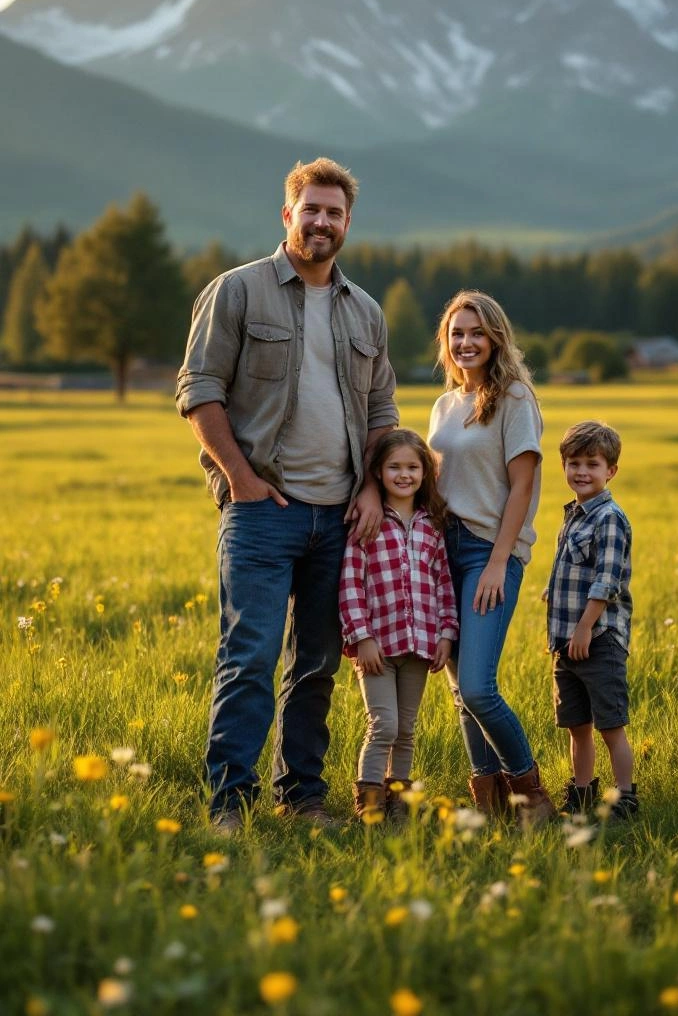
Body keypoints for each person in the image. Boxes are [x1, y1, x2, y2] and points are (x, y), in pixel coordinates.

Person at [175, 157, 398, 833]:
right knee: (248, 659)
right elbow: (198, 390)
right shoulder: (237, 292)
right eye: (311, 210)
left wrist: (369, 490)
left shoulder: (365, 312)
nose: (322, 222)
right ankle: (228, 807)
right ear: (288, 216)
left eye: (334, 213)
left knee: (318, 668)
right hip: (262, 516)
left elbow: (382, 410)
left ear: (348, 223)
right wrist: (242, 481)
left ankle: (300, 799)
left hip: (340, 519)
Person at [427, 290, 555, 827]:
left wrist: (501, 560)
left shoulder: (515, 398)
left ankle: (531, 796)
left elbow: (522, 487)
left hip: (488, 550)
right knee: (460, 691)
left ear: (496, 337)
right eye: (457, 334)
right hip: (441, 550)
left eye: (476, 332)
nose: (466, 343)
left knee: (478, 684)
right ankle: (491, 805)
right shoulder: (444, 404)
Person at [339, 429, 458, 821]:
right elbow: (351, 583)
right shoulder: (370, 520)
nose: (404, 475)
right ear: (379, 471)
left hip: (421, 644)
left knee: (406, 728)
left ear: (425, 472)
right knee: (383, 723)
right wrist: (361, 638)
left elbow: (443, 583)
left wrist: (446, 633)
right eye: (394, 467)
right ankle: (369, 806)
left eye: (412, 467)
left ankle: (399, 805)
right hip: (377, 646)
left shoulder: (432, 525)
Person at [545, 420, 637, 819]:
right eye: (574, 463)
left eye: (592, 464)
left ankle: (625, 798)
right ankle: (581, 794)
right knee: (576, 725)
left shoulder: (609, 517)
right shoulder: (573, 515)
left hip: (598, 639)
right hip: (566, 641)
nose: (581, 472)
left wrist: (584, 627)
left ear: (610, 470)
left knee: (610, 725)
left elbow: (607, 580)